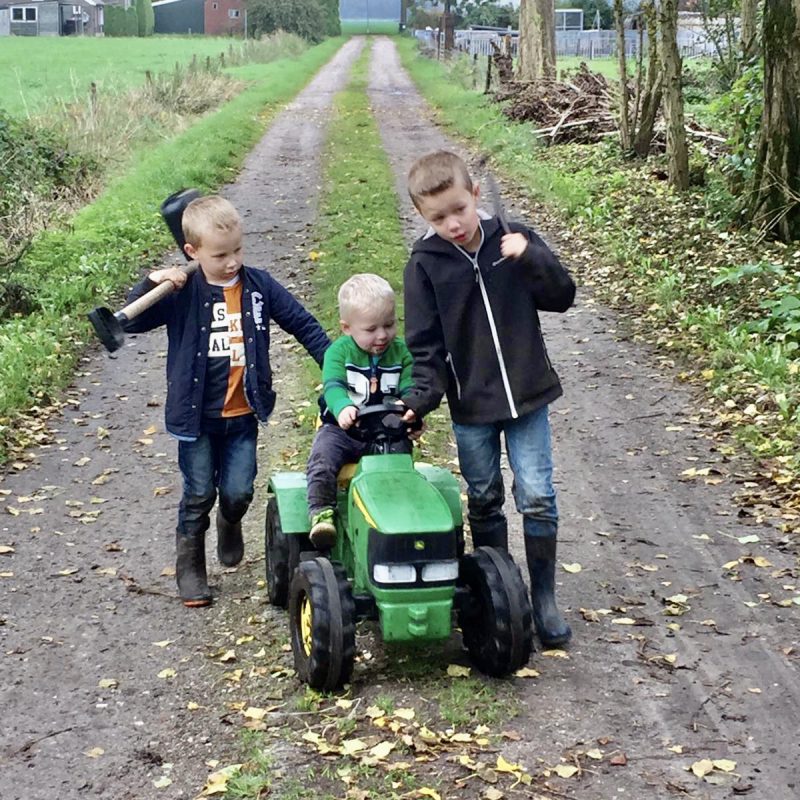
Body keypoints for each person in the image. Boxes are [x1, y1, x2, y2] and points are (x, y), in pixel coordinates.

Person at [401, 151, 576, 647]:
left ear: (475, 194)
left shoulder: (512, 240)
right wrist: (420, 400)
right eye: (438, 217)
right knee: (484, 496)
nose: (453, 224)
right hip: (471, 407)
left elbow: (563, 296)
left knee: (538, 494)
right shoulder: (425, 266)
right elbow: (425, 347)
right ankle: (504, 592)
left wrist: (533, 255)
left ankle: (543, 599)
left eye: (459, 209)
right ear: (422, 216)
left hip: (528, 395)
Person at [123, 195, 329, 607]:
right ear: (191, 252)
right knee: (199, 490)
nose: (232, 261)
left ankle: (230, 520)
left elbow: (303, 324)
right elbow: (133, 319)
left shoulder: (258, 287)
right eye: (220, 255)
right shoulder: (178, 291)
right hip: (194, 418)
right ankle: (190, 566)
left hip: (242, 414)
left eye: (238, 250)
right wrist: (151, 283)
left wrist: (338, 368)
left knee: (238, 490)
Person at [306, 273, 414, 549]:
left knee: (401, 462)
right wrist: (342, 407)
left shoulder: (401, 353)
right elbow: (333, 386)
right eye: (371, 329)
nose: (382, 335)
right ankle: (321, 512)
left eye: (389, 325)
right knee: (322, 459)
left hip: (384, 431)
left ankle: (400, 514)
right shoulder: (338, 353)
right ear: (346, 327)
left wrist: (412, 409)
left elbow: (410, 386)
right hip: (341, 429)